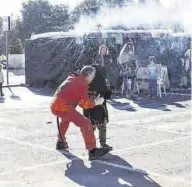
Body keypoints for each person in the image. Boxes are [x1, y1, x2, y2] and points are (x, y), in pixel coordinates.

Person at [50, 66, 110, 160]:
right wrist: (96, 102)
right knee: (86, 123)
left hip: (55, 105)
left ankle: (60, 142)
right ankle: (92, 150)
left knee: (65, 120)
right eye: (93, 76)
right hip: (63, 107)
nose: (93, 78)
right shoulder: (82, 84)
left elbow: (77, 96)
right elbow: (84, 104)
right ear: (88, 75)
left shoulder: (74, 77)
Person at [83, 61, 112, 151]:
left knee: (90, 128)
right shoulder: (102, 80)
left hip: (88, 108)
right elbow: (108, 95)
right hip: (100, 108)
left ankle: (91, 146)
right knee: (102, 127)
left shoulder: (86, 80)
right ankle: (103, 144)